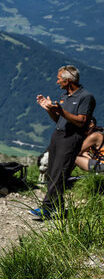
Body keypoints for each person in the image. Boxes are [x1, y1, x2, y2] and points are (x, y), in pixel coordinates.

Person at [33, 65, 96, 220]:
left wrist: (62, 111)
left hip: (71, 138)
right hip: (58, 136)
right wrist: (49, 109)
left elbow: (82, 121)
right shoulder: (65, 96)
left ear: (68, 81)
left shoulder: (85, 97)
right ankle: (58, 208)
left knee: (59, 173)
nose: (57, 81)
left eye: (59, 79)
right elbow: (59, 119)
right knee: (52, 171)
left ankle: (46, 208)